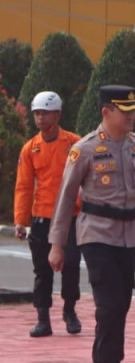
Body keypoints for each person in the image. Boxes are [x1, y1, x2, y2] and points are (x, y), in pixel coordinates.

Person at [48, 86, 135, 363]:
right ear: (106, 112)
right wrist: (57, 244)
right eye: (125, 110)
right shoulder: (84, 149)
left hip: (127, 234)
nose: (131, 116)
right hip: (96, 234)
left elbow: (128, 184)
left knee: (118, 307)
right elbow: (66, 197)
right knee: (110, 305)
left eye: (133, 110)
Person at [14, 91, 82, 338]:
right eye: (36, 113)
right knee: (42, 269)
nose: (40, 118)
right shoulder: (30, 149)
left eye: (45, 113)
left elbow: (86, 177)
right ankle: (43, 318)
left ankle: (70, 310)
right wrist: (21, 221)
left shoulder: (74, 144)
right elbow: (23, 186)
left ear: (58, 114)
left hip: (71, 216)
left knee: (72, 264)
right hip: (41, 216)